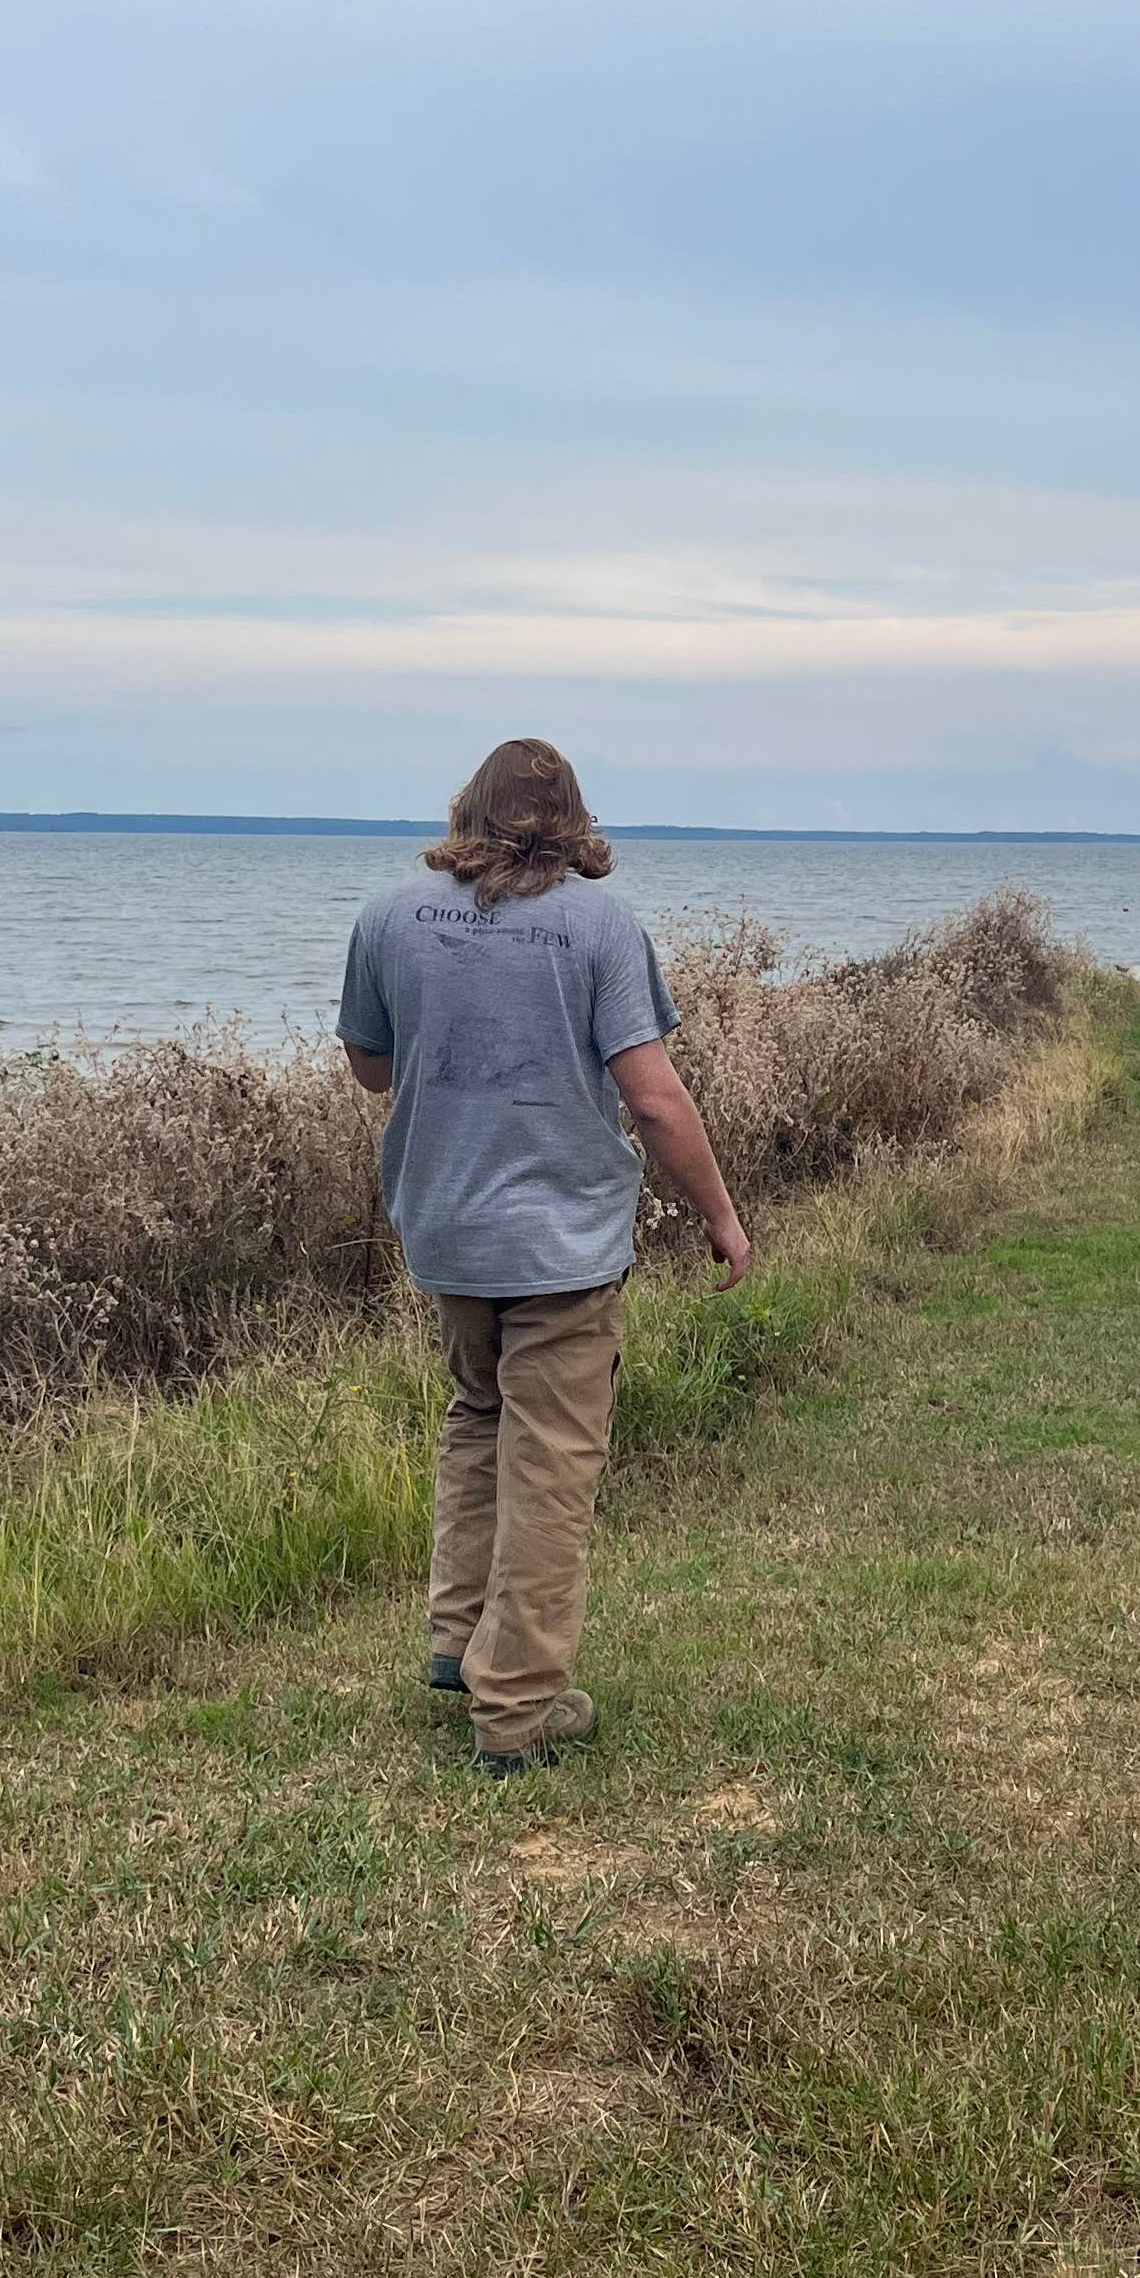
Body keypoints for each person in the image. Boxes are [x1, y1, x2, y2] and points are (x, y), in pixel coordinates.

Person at [338, 737, 751, 1772]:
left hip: (445, 1231)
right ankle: (515, 1712)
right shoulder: (601, 925)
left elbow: (370, 1068)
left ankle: (457, 1639)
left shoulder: (389, 915)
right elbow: (653, 1095)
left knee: (478, 1418)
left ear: (468, 811)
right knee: (553, 1467)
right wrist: (720, 1213)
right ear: (574, 822)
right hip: (562, 1245)